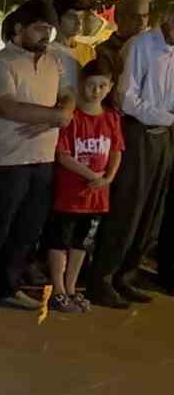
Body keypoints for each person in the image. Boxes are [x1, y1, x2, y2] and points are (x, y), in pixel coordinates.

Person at [0, 0, 73, 314]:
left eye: (49, 30)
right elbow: (8, 108)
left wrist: (62, 112)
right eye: (40, 28)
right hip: (8, 161)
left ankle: (8, 286)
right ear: (18, 28)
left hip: (42, 159)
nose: (46, 36)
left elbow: (68, 97)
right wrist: (55, 117)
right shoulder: (0, 64)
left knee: (26, 231)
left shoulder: (54, 61)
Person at [89, 4, 173, 306]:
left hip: (163, 137)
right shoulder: (141, 45)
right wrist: (166, 117)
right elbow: (126, 97)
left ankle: (127, 275)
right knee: (127, 208)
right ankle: (102, 279)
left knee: (151, 211)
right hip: (136, 132)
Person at [46, 60, 121, 313]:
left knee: (82, 243)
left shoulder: (111, 118)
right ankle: (57, 289)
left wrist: (108, 177)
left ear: (110, 87)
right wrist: (92, 175)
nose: (96, 91)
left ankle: (71, 287)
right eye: (91, 85)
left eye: (102, 86)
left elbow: (116, 151)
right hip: (69, 195)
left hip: (97, 198)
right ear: (81, 85)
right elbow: (64, 155)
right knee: (60, 240)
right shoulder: (73, 117)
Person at [89, 0, 149, 111]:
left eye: (145, 16)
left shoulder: (153, 49)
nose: (141, 22)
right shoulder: (104, 52)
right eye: (134, 16)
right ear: (117, 17)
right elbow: (107, 96)